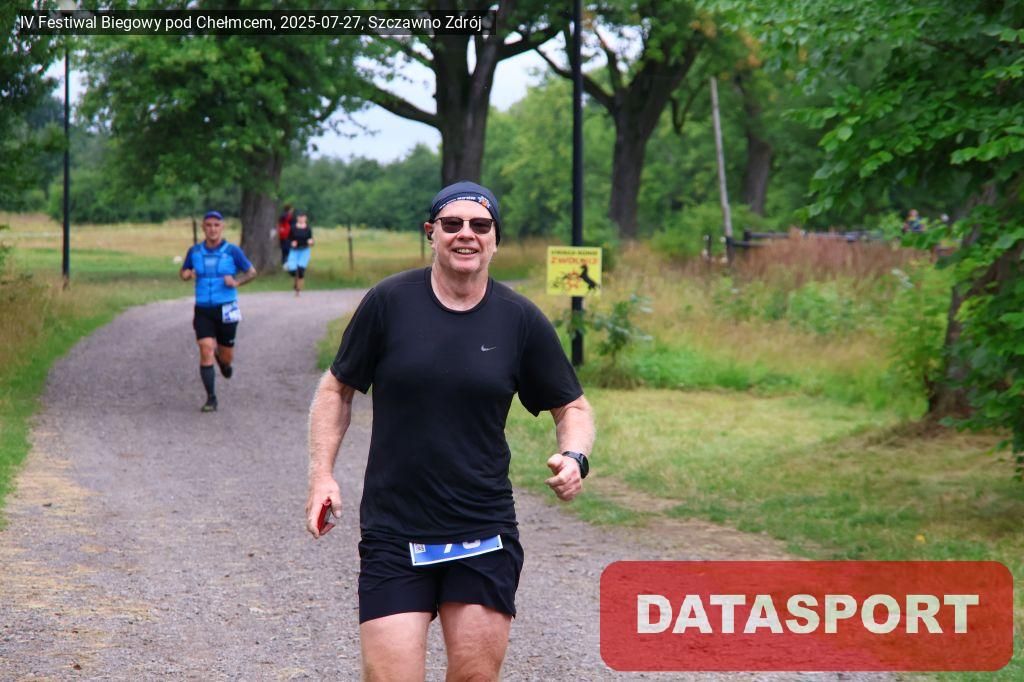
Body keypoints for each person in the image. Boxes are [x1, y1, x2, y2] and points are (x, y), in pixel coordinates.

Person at [304, 181, 595, 681]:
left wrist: (574, 457)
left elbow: (572, 405)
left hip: (483, 531)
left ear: (495, 239)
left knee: (475, 676)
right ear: (431, 233)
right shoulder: (390, 302)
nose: (466, 234)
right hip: (395, 530)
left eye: (480, 225)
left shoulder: (518, 319)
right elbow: (337, 389)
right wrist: (322, 476)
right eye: (452, 224)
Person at [179, 210, 257, 412]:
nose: (212, 229)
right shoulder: (195, 251)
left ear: (222, 227)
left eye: (216, 225)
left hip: (227, 308)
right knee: (205, 349)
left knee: (226, 356)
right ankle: (211, 398)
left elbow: (251, 272)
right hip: (203, 308)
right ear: (203, 228)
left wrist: (236, 282)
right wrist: (187, 274)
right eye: (209, 225)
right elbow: (184, 272)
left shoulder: (232, 251)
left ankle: (224, 364)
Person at [285, 210, 314, 296]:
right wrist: (291, 242)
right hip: (294, 251)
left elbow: (311, 240)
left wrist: (311, 242)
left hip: (304, 250)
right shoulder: (293, 228)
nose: (301, 219)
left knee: (301, 270)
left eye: (303, 217)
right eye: (300, 217)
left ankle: (298, 289)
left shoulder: (308, 228)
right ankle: (296, 281)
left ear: (305, 218)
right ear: (297, 218)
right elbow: (288, 239)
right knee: (292, 270)